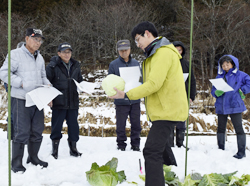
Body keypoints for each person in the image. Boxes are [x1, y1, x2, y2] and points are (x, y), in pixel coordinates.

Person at [110, 21, 188, 186]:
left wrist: (127, 94)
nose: (137, 45)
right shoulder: (155, 54)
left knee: (151, 151)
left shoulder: (162, 53)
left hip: (168, 110)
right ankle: (169, 169)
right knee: (159, 148)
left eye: (138, 39)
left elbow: (154, 84)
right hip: (163, 110)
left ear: (147, 33)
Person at [0, 28, 50, 173]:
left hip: (37, 98)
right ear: (27, 38)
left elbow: (43, 76)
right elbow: (4, 73)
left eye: (40, 40)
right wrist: (21, 83)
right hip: (20, 99)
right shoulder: (15, 55)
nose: (38, 43)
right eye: (35, 39)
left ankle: (33, 158)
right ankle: (16, 164)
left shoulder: (39, 57)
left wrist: (47, 84)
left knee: (37, 130)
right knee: (21, 132)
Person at [46, 42, 83, 159]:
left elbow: (80, 81)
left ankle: (73, 149)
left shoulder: (76, 65)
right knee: (56, 126)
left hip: (73, 101)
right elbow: (47, 83)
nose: (67, 54)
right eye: (64, 52)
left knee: (73, 126)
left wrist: (83, 88)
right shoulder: (52, 66)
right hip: (58, 102)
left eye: (69, 52)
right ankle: (55, 150)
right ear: (59, 53)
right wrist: (48, 97)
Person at [211, 55, 250, 159]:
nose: (225, 66)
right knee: (220, 128)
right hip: (221, 105)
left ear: (233, 64)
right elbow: (213, 90)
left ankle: (241, 152)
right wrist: (216, 93)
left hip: (234, 104)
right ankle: (220, 149)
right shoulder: (219, 77)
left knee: (238, 128)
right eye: (223, 65)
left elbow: (249, 83)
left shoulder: (241, 75)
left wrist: (243, 90)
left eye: (227, 64)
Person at [108, 40, 142, 151]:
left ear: (130, 50)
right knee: (121, 125)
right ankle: (121, 144)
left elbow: (140, 79)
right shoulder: (113, 64)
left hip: (135, 99)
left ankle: (135, 144)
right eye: (121, 50)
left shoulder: (136, 63)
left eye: (126, 50)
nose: (124, 52)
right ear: (118, 51)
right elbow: (110, 81)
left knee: (136, 124)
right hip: (121, 100)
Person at [171, 41, 196, 148]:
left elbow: (192, 81)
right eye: (175, 49)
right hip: (170, 96)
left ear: (182, 51)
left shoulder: (186, 64)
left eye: (180, 50)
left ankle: (180, 143)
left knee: (181, 119)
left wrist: (191, 96)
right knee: (170, 119)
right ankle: (169, 143)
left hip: (183, 95)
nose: (178, 52)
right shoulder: (167, 62)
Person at [4, 41, 26, 140]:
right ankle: (11, 135)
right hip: (14, 91)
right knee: (13, 113)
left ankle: (21, 135)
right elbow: (6, 77)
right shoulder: (13, 60)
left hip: (25, 93)